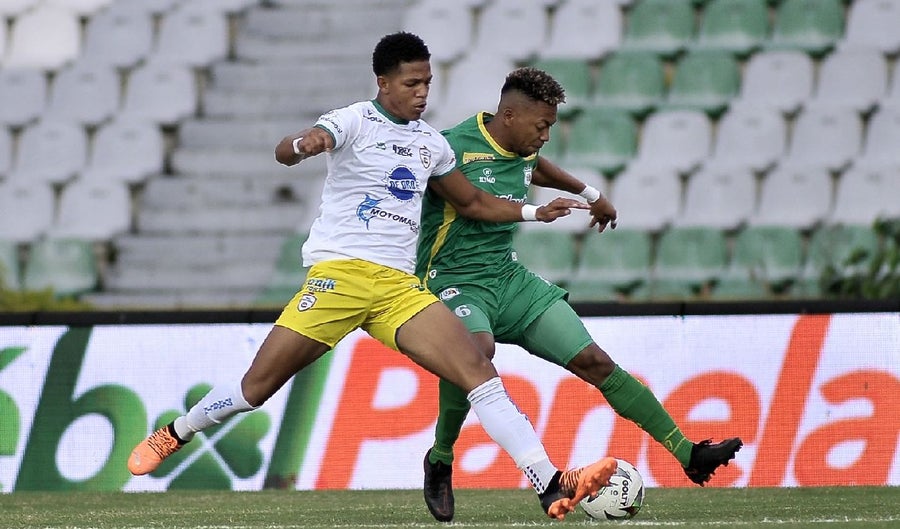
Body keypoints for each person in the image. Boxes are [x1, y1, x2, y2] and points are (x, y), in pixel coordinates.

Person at [126, 32, 616, 521]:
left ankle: (549, 483)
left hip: (398, 288)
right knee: (256, 388)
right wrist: (303, 144)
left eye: (427, 83)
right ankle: (178, 431)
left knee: (478, 370)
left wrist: (533, 212)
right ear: (383, 83)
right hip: (339, 278)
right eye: (411, 83)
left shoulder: (431, 144)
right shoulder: (353, 120)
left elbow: (472, 202)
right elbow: (285, 151)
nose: (422, 93)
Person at [416, 67, 743, 522]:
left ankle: (689, 454)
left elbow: (534, 167)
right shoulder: (449, 147)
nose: (546, 135)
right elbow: (472, 204)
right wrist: (536, 211)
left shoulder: (523, 146)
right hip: (454, 280)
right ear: (509, 116)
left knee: (596, 361)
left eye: (551, 126)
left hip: (508, 280)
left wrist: (591, 193)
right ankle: (441, 458)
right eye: (541, 125)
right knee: (475, 350)